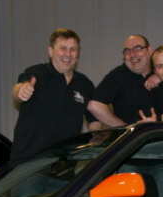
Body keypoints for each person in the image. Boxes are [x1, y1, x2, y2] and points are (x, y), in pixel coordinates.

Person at [10, 28, 99, 165]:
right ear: (51, 51)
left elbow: (94, 119)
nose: (68, 54)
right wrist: (21, 91)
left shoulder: (85, 84)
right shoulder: (38, 73)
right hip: (28, 163)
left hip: (64, 165)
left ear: (78, 54)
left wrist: (98, 138)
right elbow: (19, 89)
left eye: (73, 49)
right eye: (63, 48)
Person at [88, 35, 161, 127]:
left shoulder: (162, 71)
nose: (132, 55)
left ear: (149, 50)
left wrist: (161, 76)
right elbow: (94, 105)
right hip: (132, 136)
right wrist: (126, 129)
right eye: (127, 51)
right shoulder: (118, 75)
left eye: (137, 49)